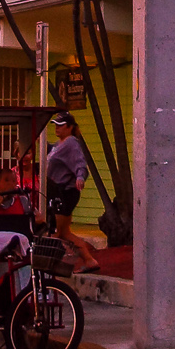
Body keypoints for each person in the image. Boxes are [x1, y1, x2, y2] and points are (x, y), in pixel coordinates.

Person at [45, 114, 99, 275]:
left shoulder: (71, 143)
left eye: (61, 125)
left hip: (65, 192)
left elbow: (80, 162)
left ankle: (49, 267)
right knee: (64, 232)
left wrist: (80, 177)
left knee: (57, 232)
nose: (57, 127)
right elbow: (52, 153)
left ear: (69, 127)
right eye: (55, 124)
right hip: (58, 191)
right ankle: (89, 260)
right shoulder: (59, 144)